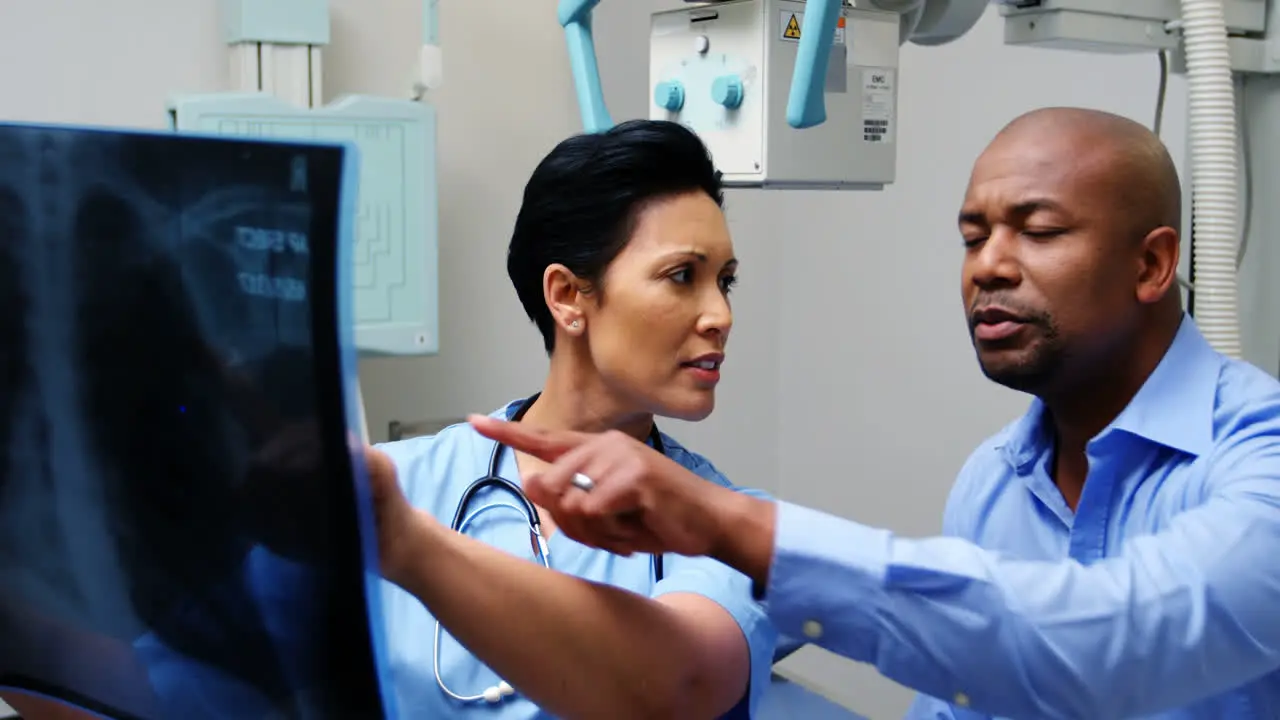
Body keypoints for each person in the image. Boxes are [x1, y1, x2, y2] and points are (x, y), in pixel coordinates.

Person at [466, 106, 1280, 719]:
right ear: (567, 296)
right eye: (972, 236)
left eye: (1037, 231)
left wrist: (733, 526)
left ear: (1152, 263)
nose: (989, 266)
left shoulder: (1260, 455)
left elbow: (1104, 645)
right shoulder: (995, 484)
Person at [360, 119, 778, 720]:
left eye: (725, 282)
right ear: (566, 296)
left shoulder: (728, 530)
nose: (720, 314)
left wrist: (410, 547)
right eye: (683, 275)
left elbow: (677, 685)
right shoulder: (394, 484)